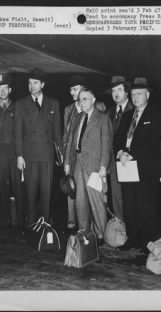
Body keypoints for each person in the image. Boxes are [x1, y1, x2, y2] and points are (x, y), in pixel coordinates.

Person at [115, 77, 161, 251]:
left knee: (146, 205)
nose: (135, 98)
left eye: (139, 94)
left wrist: (131, 155)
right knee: (130, 203)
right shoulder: (127, 115)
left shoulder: (156, 114)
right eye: (133, 94)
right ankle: (132, 238)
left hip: (145, 167)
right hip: (126, 166)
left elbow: (152, 143)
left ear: (147, 95)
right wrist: (120, 152)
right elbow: (119, 138)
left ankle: (146, 242)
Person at [64, 87, 113, 245]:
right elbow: (71, 142)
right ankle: (84, 231)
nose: (82, 102)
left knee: (97, 201)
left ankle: (101, 235)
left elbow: (107, 145)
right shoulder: (78, 117)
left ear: (93, 100)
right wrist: (67, 162)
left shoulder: (103, 118)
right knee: (80, 200)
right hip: (77, 163)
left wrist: (103, 167)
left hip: (94, 166)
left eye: (85, 99)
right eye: (80, 99)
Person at [15, 68, 62, 224]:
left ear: (43, 84)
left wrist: (60, 155)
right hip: (29, 155)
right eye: (29, 83)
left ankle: (46, 223)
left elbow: (57, 133)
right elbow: (18, 132)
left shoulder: (53, 103)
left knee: (46, 192)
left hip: (47, 155)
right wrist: (19, 155)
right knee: (30, 191)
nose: (32, 86)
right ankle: (31, 225)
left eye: (35, 83)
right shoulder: (21, 104)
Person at [0, 73, 25, 230]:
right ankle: (4, 221)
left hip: (14, 151)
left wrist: (20, 154)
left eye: (5, 88)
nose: (3, 92)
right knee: (2, 186)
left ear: (10, 90)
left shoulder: (17, 107)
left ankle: (20, 221)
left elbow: (21, 132)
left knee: (18, 186)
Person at [107, 75, 134, 221]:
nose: (116, 94)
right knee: (116, 196)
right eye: (113, 91)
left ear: (127, 92)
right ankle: (120, 228)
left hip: (129, 160)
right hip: (113, 161)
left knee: (130, 197)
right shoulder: (109, 112)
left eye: (119, 90)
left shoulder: (135, 109)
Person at [62, 75, 86, 230]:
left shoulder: (96, 106)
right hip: (71, 155)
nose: (72, 92)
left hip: (86, 156)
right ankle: (71, 220)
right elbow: (66, 134)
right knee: (71, 188)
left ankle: (86, 223)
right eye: (71, 89)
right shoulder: (68, 109)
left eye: (75, 89)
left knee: (85, 191)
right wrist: (66, 160)